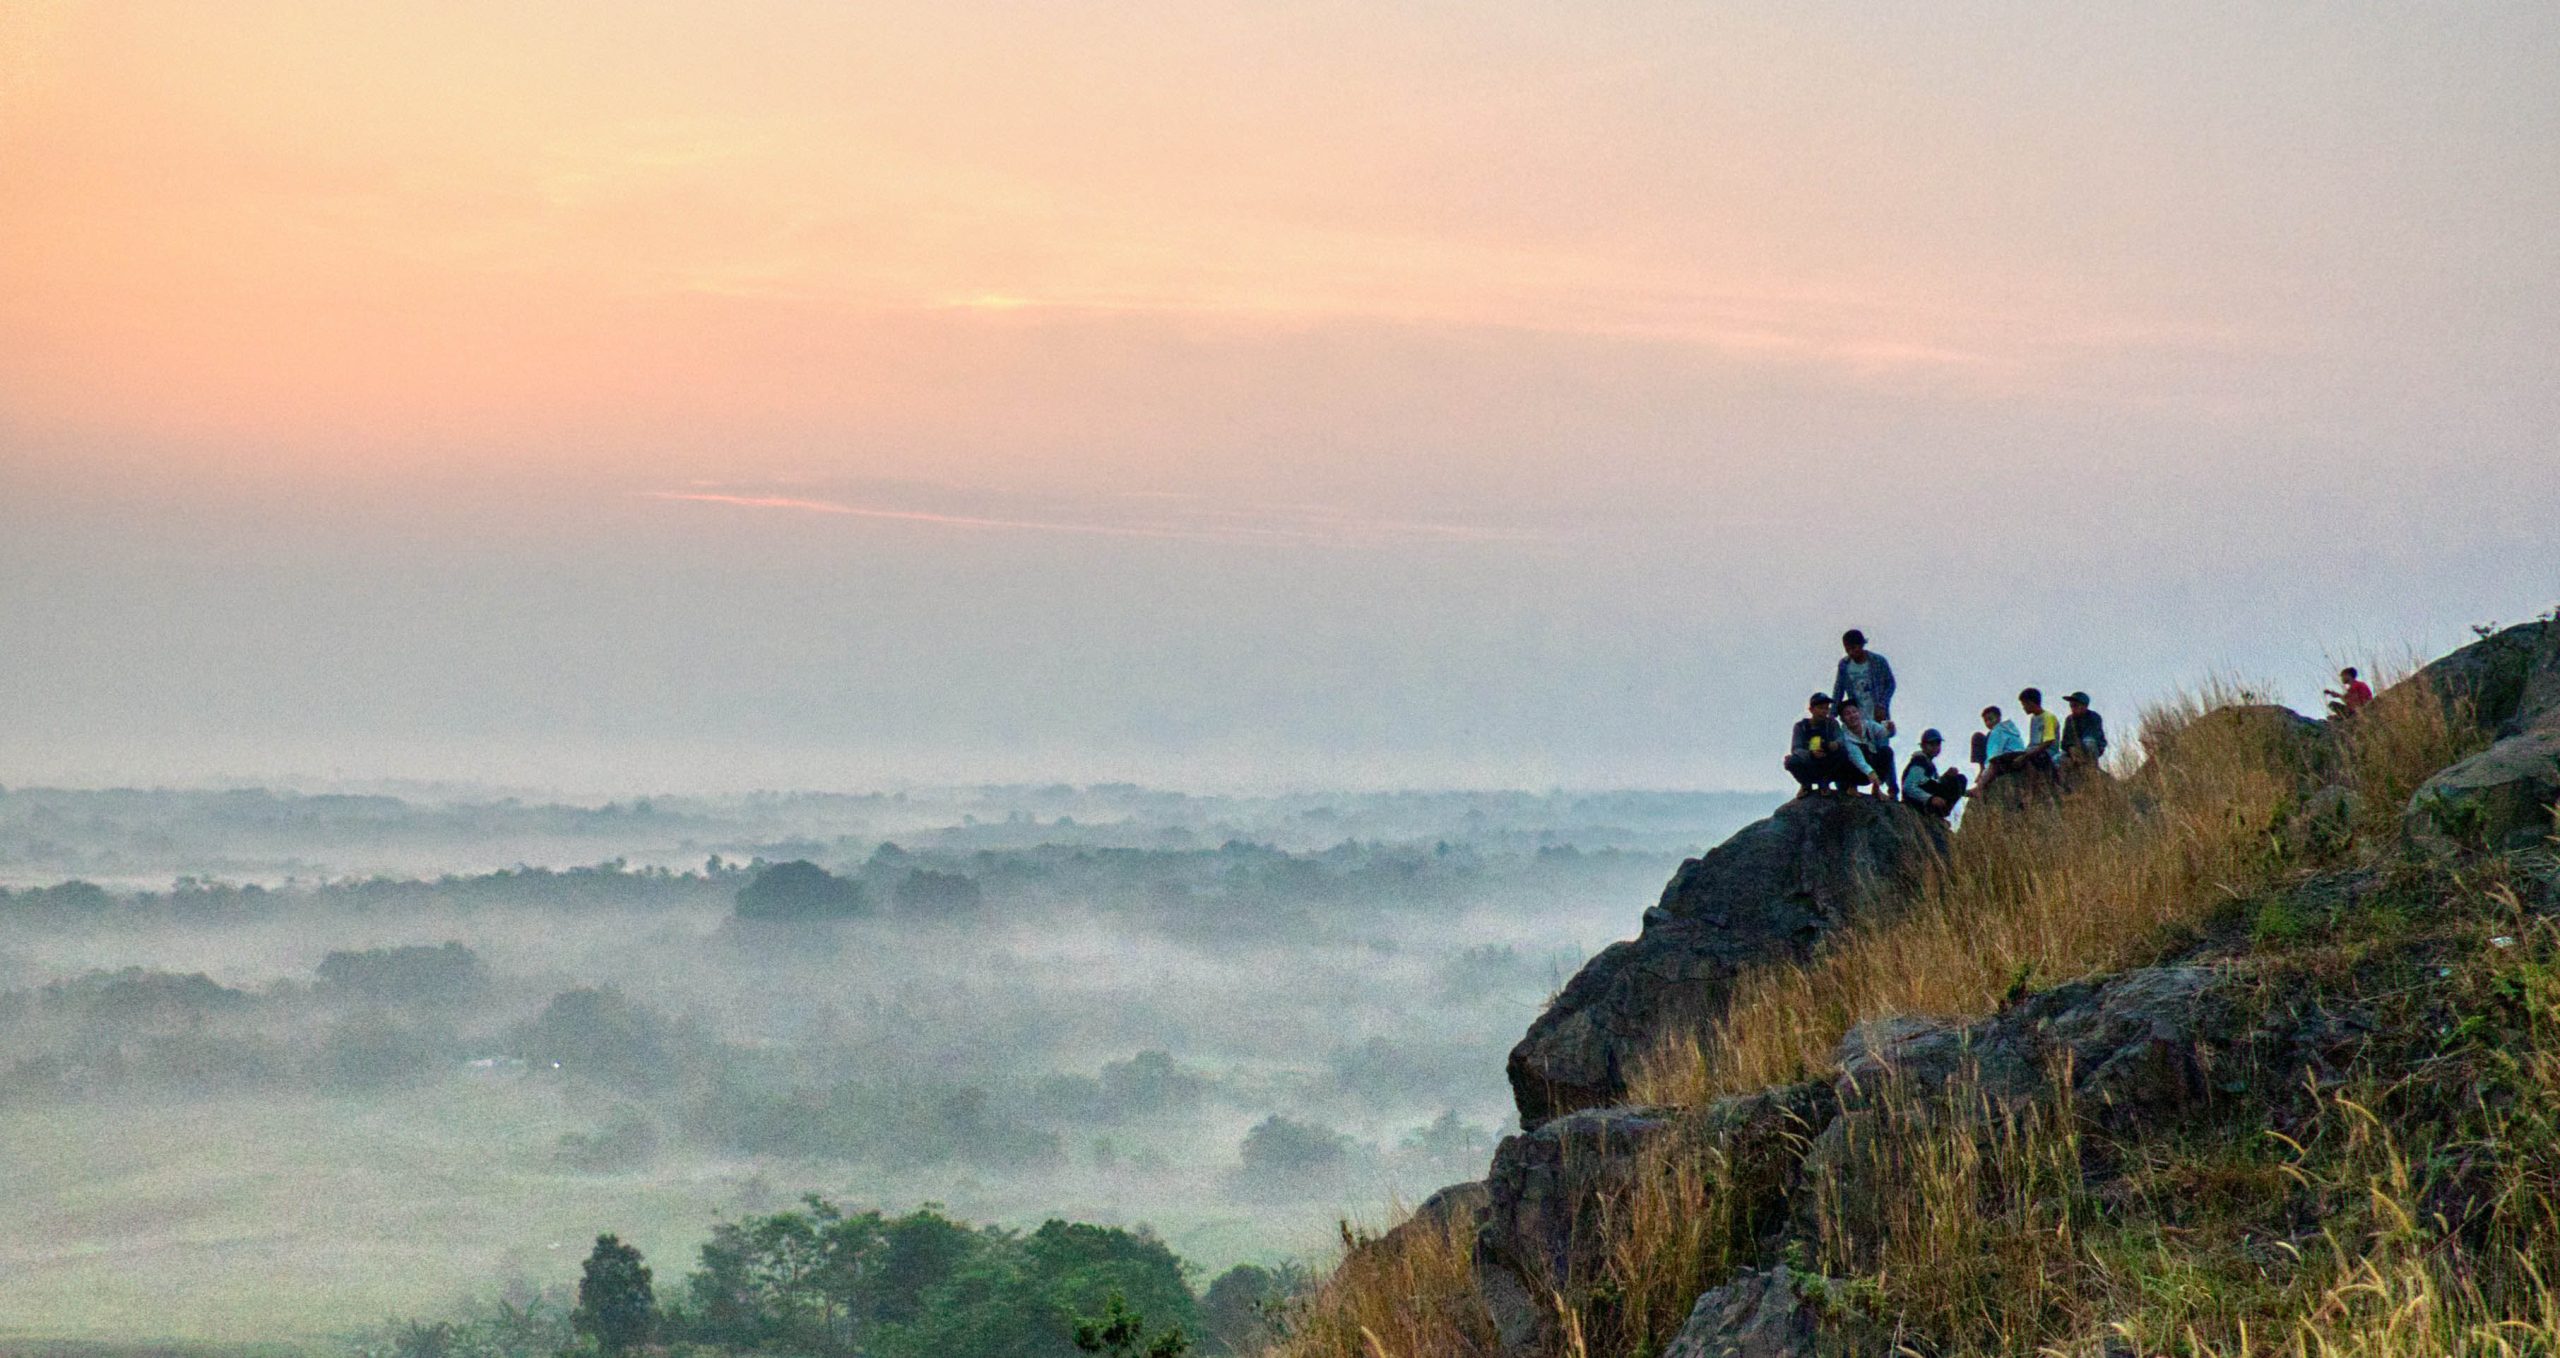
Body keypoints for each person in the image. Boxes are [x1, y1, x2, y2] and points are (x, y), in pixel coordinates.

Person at [1786, 692, 1876, 797]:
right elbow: (1796, 748)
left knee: (1843, 753)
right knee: (1791, 761)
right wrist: (1811, 754)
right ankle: (1806, 785)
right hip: (1810, 761)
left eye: (1826, 708)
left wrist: (1835, 744)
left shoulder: (1832, 724)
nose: (1824, 711)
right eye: (1820, 708)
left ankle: (1825, 783)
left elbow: (1841, 740)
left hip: (1828, 762)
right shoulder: (1801, 726)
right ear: (1811, 710)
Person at [1832, 630, 1897, 731]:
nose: (1851, 652)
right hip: (1857, 716)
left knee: (1881, 742)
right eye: (1847, 649)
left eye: (1853, 648)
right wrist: (1832, 714)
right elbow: (1838, 689)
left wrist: (1882, 705)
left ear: (1861, 645)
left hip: (1878, 714)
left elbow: (1890, 684)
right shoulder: (1844, 664)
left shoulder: (1878, 661)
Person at [1901, 729, 1969, 819]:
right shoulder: (1920, 761)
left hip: (1924, 801)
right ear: (1923, 746)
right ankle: (1936, 814)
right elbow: (1908, 786)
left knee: (1958, 779)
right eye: (1931, 744)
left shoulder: (1929, 764)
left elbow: (1932, 783)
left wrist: (1946, 777)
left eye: (1938, 744)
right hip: (1916, 803)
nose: (1935, 747)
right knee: (1959, 779)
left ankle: (1938, 814)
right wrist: (1930, 799)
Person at [1839, 697, 1897, 798]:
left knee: (1886, 751)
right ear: (1843, 719)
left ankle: (1876, 789)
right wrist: (1870, 772)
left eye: (1854, 712)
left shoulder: (1869, 725)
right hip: (1857, 770)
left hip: (1871, 768)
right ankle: (1851, 787)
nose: (1852, 716)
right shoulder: (1844, 736)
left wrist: (1891, 730)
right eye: (1847, 714)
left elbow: (1884, 733)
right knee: (1846, 755)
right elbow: (1856, 757)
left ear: (1859, 713)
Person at [1977, 704, 2027, 784]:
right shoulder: (2010, 729)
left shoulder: (1997, 731)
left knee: (1977, 737)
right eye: (1985, 721)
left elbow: (1994, 754)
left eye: (1990, 719)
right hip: (2019, 756)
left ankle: (1979, 788)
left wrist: (1985, 772)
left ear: (1998, 718)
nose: (1988, 723)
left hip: (2009, 759)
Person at [2017, 688, 2063, 772]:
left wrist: (2026, 756)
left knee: (2029, 761)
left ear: (2030, 703)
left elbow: (2047, 743)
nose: (2023, 708)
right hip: (2034, 750)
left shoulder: (2048, 717)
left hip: (2047, 752)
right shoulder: (2034, 718)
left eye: (2024, 704)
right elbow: (2032, 742)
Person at [2061, 692, 2108, 768]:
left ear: (2084, 706)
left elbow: (2091, 736)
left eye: (2075, 705)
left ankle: (2091, 769)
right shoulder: (2069, 720)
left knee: (2089, 742)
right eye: (2071, 706)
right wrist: (2071, 748)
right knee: (2057, 758)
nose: (2072, 708)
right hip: (2073, 749)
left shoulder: (2093, 717)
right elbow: (2065, 741)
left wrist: (2076, 747)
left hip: (2092, 747)